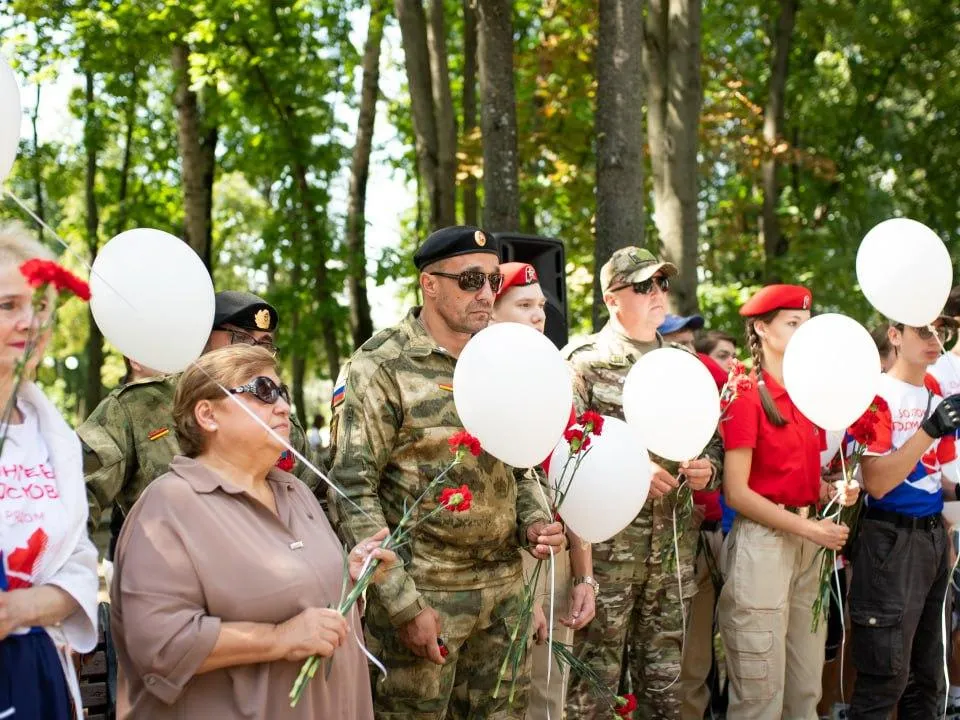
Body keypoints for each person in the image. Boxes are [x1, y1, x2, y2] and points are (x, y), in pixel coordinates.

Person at [329, 226, 562, 719]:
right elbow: (352, 488)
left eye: (492, 282)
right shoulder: (381, 365)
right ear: (429, 284)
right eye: (470, 280)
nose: (485, 294)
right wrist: (403, 606)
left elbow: (521, 467)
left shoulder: (504, 357)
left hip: (503, 593)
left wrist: (535, 521)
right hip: (426, 594)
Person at [110, 345, 394, 718]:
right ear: (208, 414)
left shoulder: (296, 492)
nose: (283, 407)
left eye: (283, 394)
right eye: (263, 391)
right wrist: (279, 640)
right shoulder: (169, 506)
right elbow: (161, 646)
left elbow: (306, 599)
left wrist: (350, 578)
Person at [562, 247, 722, 720]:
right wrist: (631, 467)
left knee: (668, 693)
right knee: (593, 691)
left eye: (661, 284)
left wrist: (705, 470)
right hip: (607, 555)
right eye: (643, 286)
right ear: (613, 299)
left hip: (671, 552)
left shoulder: (683, 364)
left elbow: (712, 443)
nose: (657, 294)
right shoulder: (584, 362)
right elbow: (564, 454)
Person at [80, 290, 314, 559]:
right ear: (201, 338)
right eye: (240, 338)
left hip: (275, 581)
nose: (255, 351)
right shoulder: (139, 406)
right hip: (174, 581)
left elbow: (314, 499)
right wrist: (73, 581)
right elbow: (73, 493)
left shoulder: (278, 414)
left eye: (265, 343)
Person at [717, 284, 857, 719]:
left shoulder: (806, 393)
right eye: (793, 324)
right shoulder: (744, 391)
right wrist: (810, 528)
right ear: (761, 328)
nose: (804, 332)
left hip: (807, 544)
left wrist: (833, 491)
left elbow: (797, 480)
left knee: (804, 691)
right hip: (764, 545)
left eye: (807, 323)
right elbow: (736, 491)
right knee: (759, 695)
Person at [0, 222, 98, 719]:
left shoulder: (53, 437)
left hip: (37, 675)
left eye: (40, 307)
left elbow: (77, 559)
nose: (30, 323)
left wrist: (19, 610)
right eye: (7, 306)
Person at [492, 262, 597, 720]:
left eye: (541, 306)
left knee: (550, 690)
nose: (539, 316)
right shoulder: (479, 383)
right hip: (504, 558)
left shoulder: (561, 384)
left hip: (554, 554)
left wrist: (584, 574)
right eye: (524, 305)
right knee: (505, 692)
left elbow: (575, 485)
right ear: (491, 312)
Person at [847, 321, 960, 718]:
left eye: (942, 332)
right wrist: (930, 429)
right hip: (889, 541)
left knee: (929, 675)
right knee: (885, 675)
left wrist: (955, 494)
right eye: (924, 331)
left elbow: (934, 480)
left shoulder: (934, 392)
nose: (936, 341)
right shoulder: (875, 395)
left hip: (930, 537)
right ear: (894, 335)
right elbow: (876, 482)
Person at [678, 353, 728, 720]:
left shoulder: (705, 369)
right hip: (676, 539)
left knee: (702, 655)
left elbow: (720, 446)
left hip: (718, 532)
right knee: (684, 660)